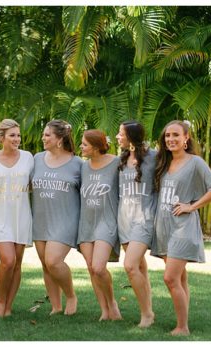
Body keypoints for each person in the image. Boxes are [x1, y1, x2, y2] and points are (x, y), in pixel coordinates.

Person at [151, 120, 211, 336]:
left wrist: (191, 206)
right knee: (180, 278)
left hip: (183, 227)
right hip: (164, 227)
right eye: (167, 136)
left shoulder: (195, 163)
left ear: (186, 138)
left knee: (170, 278)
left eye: (175, 135)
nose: (170, 139)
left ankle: (182, 328)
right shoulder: (163, 162)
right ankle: (182, 322)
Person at [0, 118, 34, 317]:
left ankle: (8, 306)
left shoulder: (29, 157)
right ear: (1, 137)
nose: (17, 139)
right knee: (8, 261)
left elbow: (33, 184)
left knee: (17, 263)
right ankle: (0, 301)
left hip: (21, 216)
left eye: (18, 135)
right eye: (12, 135)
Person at [31, 119, 82, 315]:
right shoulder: (36, 159)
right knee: (46, 265)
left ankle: (70, 296)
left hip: (66, 220)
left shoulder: (77, 163)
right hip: (41, 219)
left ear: (59, 139)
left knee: (53, 261)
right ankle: (55, 306)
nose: (43, 138)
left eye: (47, 135)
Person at [78, 129, 123, 321]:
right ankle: (104, 310)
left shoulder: (116, 163)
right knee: (90, 268)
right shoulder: (83, 167)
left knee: (98, 267)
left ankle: (112, 302)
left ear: (96, 147)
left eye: (85, 144)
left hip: (107, 221)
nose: (81, 147)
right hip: (86, 222)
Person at [116, 120, 157, 327]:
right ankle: (148, 309)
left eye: (120, 133)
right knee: (140, 266)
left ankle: (146, 314)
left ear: (131, 136)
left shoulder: (154, 157)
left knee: (130, 266)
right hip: (124, 220)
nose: (117, 137)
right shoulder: (120, 159)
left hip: (144, 218)